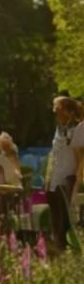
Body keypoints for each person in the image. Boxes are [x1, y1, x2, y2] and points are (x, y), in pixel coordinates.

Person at [47, 95, 84, 253]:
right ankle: (58, 249)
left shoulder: (77, 128)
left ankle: (69, 251)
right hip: (56, 178)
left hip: (70, 178)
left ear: (67, 110)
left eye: (57, 107)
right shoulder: (59, 129)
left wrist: (77, 181)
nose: (54, 110)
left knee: (68, 218)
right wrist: (48, 177)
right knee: (56, 217)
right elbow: (54, 155)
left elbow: (80, 157)